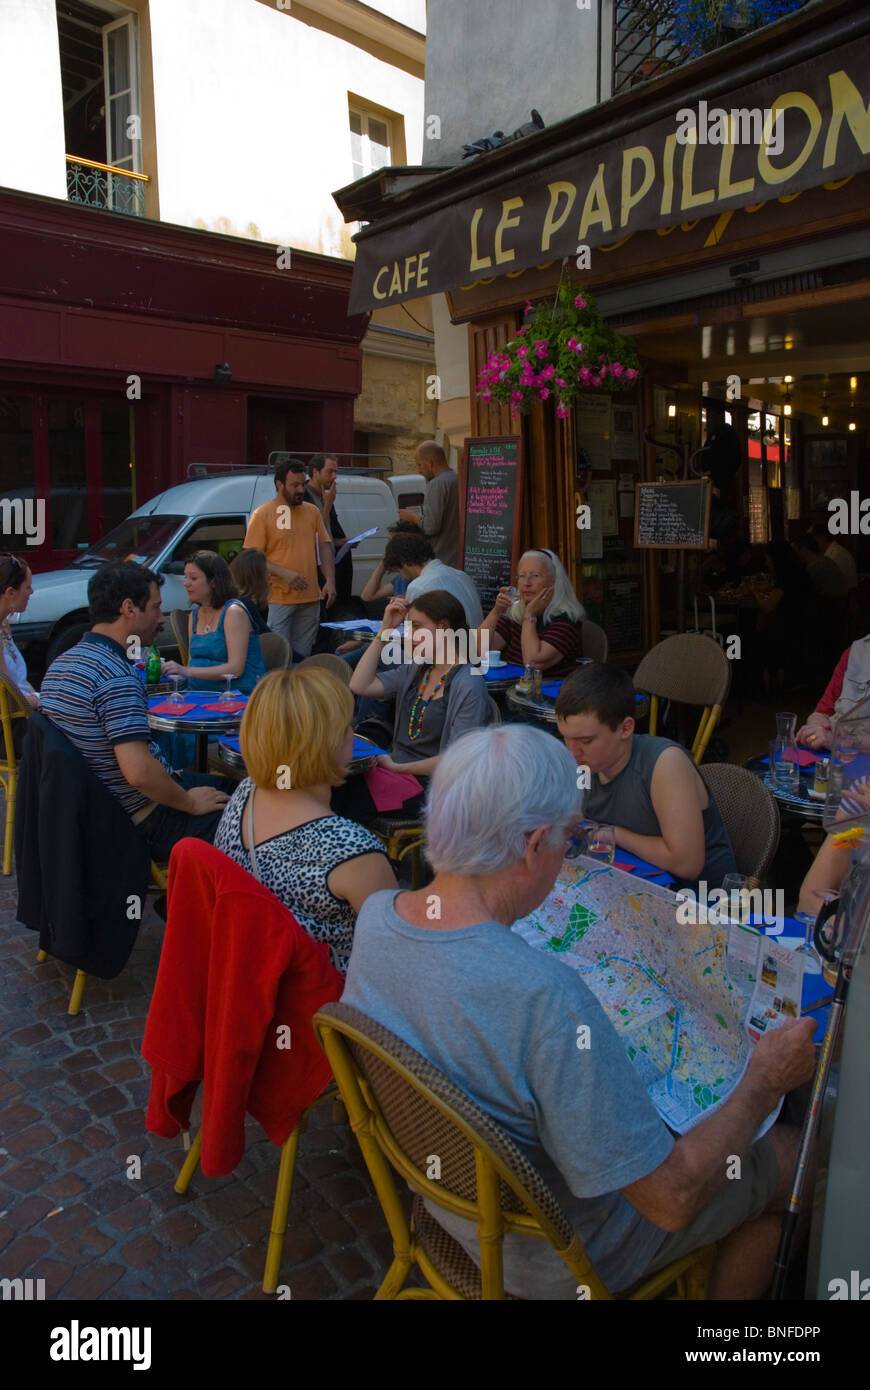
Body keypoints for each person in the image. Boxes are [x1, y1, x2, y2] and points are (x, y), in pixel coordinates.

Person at [341, 723, 816, 1299]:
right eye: (569, 836)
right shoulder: (548, 999)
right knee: (797, 1156)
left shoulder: (379, 915)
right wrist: (765, 1083)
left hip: (448, 1202)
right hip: (558, 1256)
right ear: (533, 844)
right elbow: (671, 1199)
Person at [38, 561, 233, 861]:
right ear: (129, 608)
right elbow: (140, 773)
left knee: (233, 788)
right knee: (259, 815)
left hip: (91, 813)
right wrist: (188, 803)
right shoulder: (115, 676)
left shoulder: (62, 664)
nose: (161, 620)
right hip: (143, 820)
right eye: (155, 608)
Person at [214, 667, 396, 974]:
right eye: (346, 726)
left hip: (253, 982)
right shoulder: (351, 850)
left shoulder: (246, 794)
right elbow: (399, 954)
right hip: (332, 1008)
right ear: (328, 743)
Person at [555, 663, 736, 893]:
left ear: (625, 728)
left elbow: (687, 864)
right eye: (566, 738)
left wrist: (613, 834)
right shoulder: (584, 763)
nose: (572, 751)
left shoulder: (664, 763)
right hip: (632, 887)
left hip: (700, 904)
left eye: (586, 741)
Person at [346, 588, 491, 816]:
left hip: (432, 787)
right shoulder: (418, 669)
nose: (409, 635)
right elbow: (360, 685)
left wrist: (398, 767)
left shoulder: (468, 684)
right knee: (327, 787)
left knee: (339, 799)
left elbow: (459, 759)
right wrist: (384, 631)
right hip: (394, 772)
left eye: (416, 626)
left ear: (443, 627)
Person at [243, 457, 335, 660]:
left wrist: (329, 580)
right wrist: (284, 573)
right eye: (295, 485)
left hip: (311, 597)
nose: (301, 490)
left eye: (303, 484)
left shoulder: (312, 512)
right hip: (278, 599)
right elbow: (252, 558)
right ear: (279, 484)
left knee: (303, 656)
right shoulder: (263, 514)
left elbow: (324, 547)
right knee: (278, 656)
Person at [162, 551, 266, 694]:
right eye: (186, 577)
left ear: (213, 582)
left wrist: (186, 671)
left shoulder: (233, 612)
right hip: (198, 694)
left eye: (193, 578)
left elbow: (235, 669)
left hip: (235, 696)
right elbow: (193, 662)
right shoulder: (194, 615)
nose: (186, 583)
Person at [480, 548, 584, 678]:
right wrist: (496, 611)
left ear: (554, 582)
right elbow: (479, 651)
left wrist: (530, 616)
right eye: (522, 576)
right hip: (512, 689)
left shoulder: (567, 619)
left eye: (535, 576)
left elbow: (533, 663)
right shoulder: (516, 613)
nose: (526, 583)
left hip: (549, 693)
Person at [381, 528, 483, 627]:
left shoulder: (418, 586)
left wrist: (386, 629)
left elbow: (413, 634)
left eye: (399, 570)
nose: (402, 578)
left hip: (454, 642)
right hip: (478, 641)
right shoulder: (462, 575)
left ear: (405, 563)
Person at [796, 631, 870, 749]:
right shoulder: (856, 651)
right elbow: (821, 713)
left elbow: (840, 741)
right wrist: (816, 732)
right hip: (834, 756)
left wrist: (841, 741)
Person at [398, 441, 459, 567]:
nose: (419, 470)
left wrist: (412, 517)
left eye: (420, 465)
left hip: (441, 559)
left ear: (430, 463)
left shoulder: (436, 484)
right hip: (457, 557)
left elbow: (431, 527)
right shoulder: (458, 479)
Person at [304, 452, 353, 603]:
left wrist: (343, 542)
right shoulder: (305, 497)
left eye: (336, 472)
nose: (334, 477)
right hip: (316, 572)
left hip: (333, 569)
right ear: (315, 472)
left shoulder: (324, 496)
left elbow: (327, 534)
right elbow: (313, 532)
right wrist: (328, 505)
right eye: (330, 472)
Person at [0, 553, 39, 715]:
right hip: (11, 726)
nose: (32, 592)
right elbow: (8, 701)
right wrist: (40, 699)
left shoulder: (4, 624)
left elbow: (19, 681)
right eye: (27, 587)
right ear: (11, 593)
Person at [229, 549, 270, 635]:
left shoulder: (257, 601)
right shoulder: (245, 603)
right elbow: (266, 635)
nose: (269, 575)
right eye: (265, 571)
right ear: (256, 576)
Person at [810, 522, 857, 593]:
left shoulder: (836, 555)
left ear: (821, 538)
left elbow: (831, 586)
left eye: (811, 539)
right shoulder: (832, 553)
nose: (808, 543)